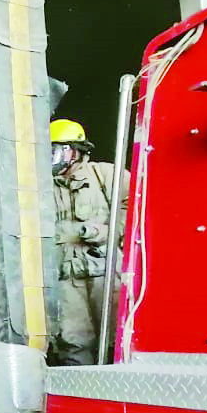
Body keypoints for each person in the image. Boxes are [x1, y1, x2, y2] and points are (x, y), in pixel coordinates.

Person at [50, 118, 129, 366]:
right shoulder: (42, 186)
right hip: (66, 278)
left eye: (58, 151)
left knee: (119, 338)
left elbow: (139, 205)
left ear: (76, 151)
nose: (52, 158)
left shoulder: (105, 174)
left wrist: (107, 231)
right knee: (73, 343)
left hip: (106, 275)